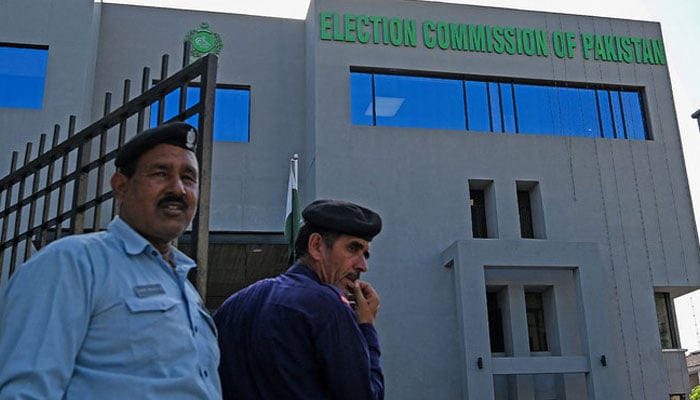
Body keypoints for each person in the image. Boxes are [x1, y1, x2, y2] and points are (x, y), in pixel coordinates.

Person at [0, 122, 222, 399]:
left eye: (188, 178)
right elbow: (25, 391)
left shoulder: (186, 289)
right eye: (160, 174)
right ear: (121, 187)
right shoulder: (72, 263)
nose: (178, 189)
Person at [214, 199, 385, 400]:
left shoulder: (234, 305)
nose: (363, 266)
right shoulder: (327, 304)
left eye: (365, 254)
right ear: (316, 246)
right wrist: (367, 326)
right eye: (353, 249)